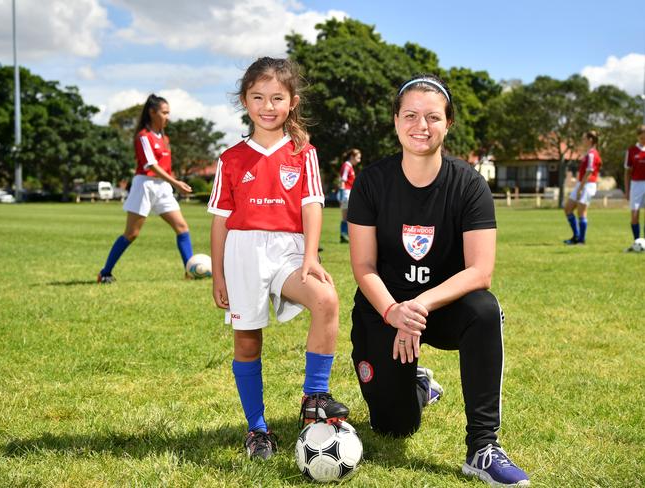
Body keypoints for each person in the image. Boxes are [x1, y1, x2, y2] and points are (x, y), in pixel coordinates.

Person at [348, 74, 530, 486]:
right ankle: (418, 385)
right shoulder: (372, 182)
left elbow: (480, 271)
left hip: (441, 309)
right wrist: (395, 310)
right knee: (394, 428)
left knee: (484, 309)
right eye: (410, 115)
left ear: (448, 124)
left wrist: (420, 306)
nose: (421, 125)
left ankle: (483, 447)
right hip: (385, 308)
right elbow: (363, 266)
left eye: (433, 116)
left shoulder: (469, 184)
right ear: (395, 120)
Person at [208, 57, 349, 461]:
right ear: (244, 101)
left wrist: (310, 257)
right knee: (248, 341)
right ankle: (257, 430)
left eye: (276, 98)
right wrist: (218, 275)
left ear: (292, 102)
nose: (267, 106)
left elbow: (313, 206)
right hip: (243, 252)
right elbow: (220, 223)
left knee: (325, 299)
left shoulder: (304, 153)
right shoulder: (230, 159)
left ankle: (314, 397)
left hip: (289, 249)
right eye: (258, 97)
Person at [97, 94, 194, 283]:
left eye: (168, 113)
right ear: (152, 112)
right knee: (132, 234)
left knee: (182, 228)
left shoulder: (164, 138)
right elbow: (150, 165)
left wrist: (171, 183)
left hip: (163, 187)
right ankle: (105, 273)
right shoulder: (143, 136)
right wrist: (176, 183)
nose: (168, 117)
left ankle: (190, 271)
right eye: (164, 112)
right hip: (145, 186)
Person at [563, 131, 602, 245]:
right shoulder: (588, 153)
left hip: (587, 185)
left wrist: (580, 188)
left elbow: (589, 172)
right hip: (582, 184)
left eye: (584, 138)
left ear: (590, 140)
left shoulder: (592, 154)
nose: (582, 141)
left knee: (581, 212)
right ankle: (576, 236)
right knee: (568, 208)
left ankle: (581, 240)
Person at [623, 124, 645, 248]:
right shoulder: (631, 151)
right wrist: (627, 190)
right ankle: (637, 242)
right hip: (636, 185)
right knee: (635, 215)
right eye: (642, 138)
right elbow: (627, 172)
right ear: (637, 137)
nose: (644, 140)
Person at [338, 148, 362, 243]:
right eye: (358, 158)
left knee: (347, 216)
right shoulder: (347, 166)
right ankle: (345, 235)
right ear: (352, 157)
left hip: (348, 193)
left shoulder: (349, 166)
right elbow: (342, 180)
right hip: (346, 194)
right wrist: (342, 194)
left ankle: (344, 236)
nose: (359, 160)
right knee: (348, 216)